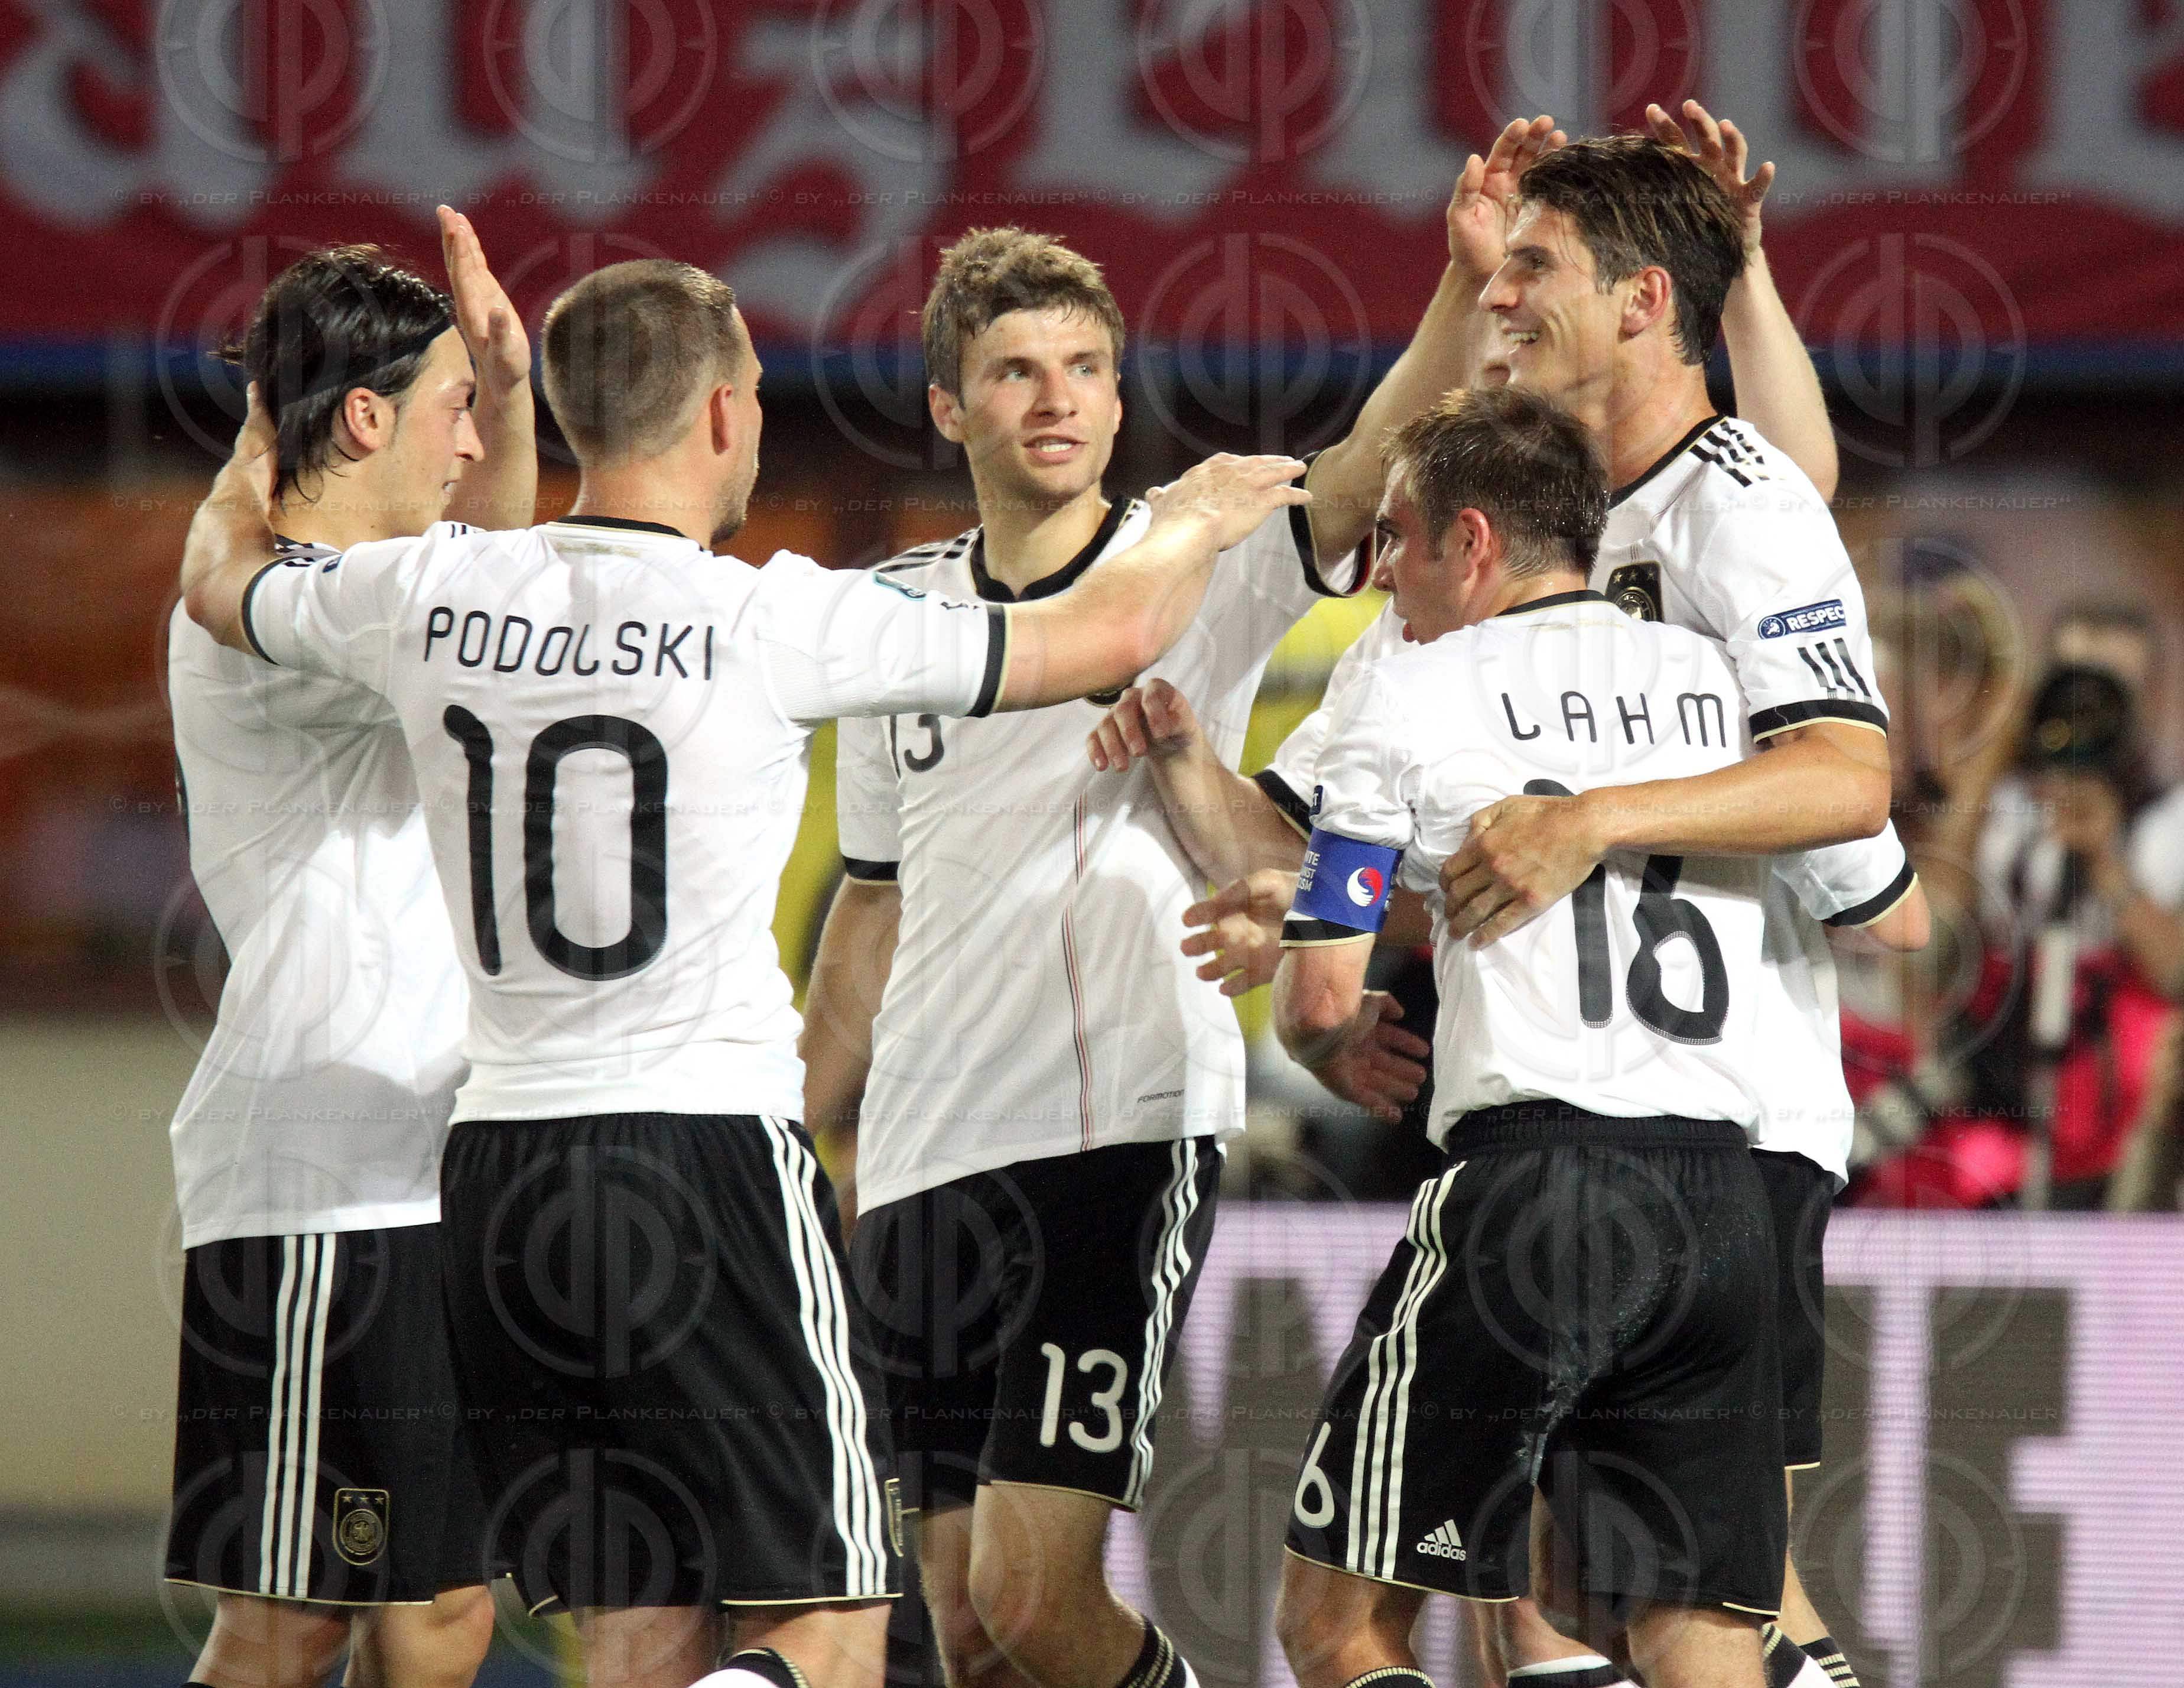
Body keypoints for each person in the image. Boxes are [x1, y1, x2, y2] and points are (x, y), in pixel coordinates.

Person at [178, 255, 1311, 1688]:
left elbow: (227, 584)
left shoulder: (429, 596)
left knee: (639, 1624)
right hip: (700, 1155)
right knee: (829, 1629)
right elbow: (1109, 631)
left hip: (497, 1178)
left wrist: (244, 466)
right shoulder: (768, 616)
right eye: (760, 398)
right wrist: (1194, 517)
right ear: (722, 415)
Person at [1094, 108, 1916, 1688]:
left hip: (1679, 1128)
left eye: (1533, 270)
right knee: (1623, 1601)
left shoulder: (1687, 531)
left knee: (1409, 1608)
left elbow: (1846, 776)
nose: (1503, 303)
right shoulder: (1629, 599)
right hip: (1703, 1152)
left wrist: (1562, 830)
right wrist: (1358, 893)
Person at [799, 178, 1513, 1688]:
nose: (1053, 399)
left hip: (1114, 1129)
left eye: (1082, 368)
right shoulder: (898, 623)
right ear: (948, 406)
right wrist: (809, 1130)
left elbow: (1361, 467)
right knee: (967, 1629)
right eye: (1013, 371)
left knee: (1038, 1597)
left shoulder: (1200, 561)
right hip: (927, 1145)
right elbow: (872, 899)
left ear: (1120, 400)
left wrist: (1454, 286)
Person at [1269, 387, 1795, 1688]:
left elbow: (1319, 999)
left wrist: (1328, 1041)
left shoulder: (1409, 687)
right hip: (1729, 1205)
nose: (1379, 573)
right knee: (1690, 1644)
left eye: (1398, 537)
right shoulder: (1718, 680)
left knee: (1338, 1627)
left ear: (1476, 543)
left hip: (1538, 1196)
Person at [162, 215, 528, 1688]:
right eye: (448, 410)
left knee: (438, 1610)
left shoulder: (347, 587)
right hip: (323, 1166)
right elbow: (485, 605)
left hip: (418, 1156)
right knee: (296, 1620)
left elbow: (484, 590)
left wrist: (501, 399)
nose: (465, 443)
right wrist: (235, 488)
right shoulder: (290, 608)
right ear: (364, 413)